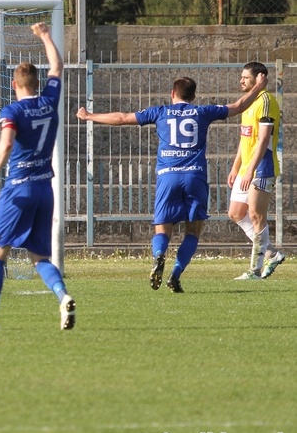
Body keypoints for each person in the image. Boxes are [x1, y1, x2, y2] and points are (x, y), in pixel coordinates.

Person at [77, 74, 266, 293]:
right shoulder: (203, 111)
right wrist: (258, 87)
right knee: (193, 231)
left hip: (168, 176)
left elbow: (121, 118)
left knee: (162, 229)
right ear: (194, 96)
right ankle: (175, 273)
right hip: (194, 176)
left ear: (172, 94)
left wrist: (90, 115)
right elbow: (238, 106)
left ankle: (159, 256)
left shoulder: (160, 112)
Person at [0, 22, 73, 331]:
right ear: (36, 82)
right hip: (45, 189)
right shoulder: (48, 102)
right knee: (39, 256)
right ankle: (63, 296)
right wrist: (45, 35)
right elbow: (57, 66)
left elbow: (5, 145)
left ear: (14, 85)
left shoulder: (12, 112)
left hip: (18, 189)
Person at [226, 62, 286, 280]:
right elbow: (245, 139)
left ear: (259, 77)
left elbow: (263, 139)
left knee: (256, 215)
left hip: (262, 167)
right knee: (235, 213)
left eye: (245, 77)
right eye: (241, 77)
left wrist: (251, 168)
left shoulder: (266, 101)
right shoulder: (249, 103)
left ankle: (255, 270)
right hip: (246, 168)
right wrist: (236, 167)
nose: (241, 80)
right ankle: (272, 253)